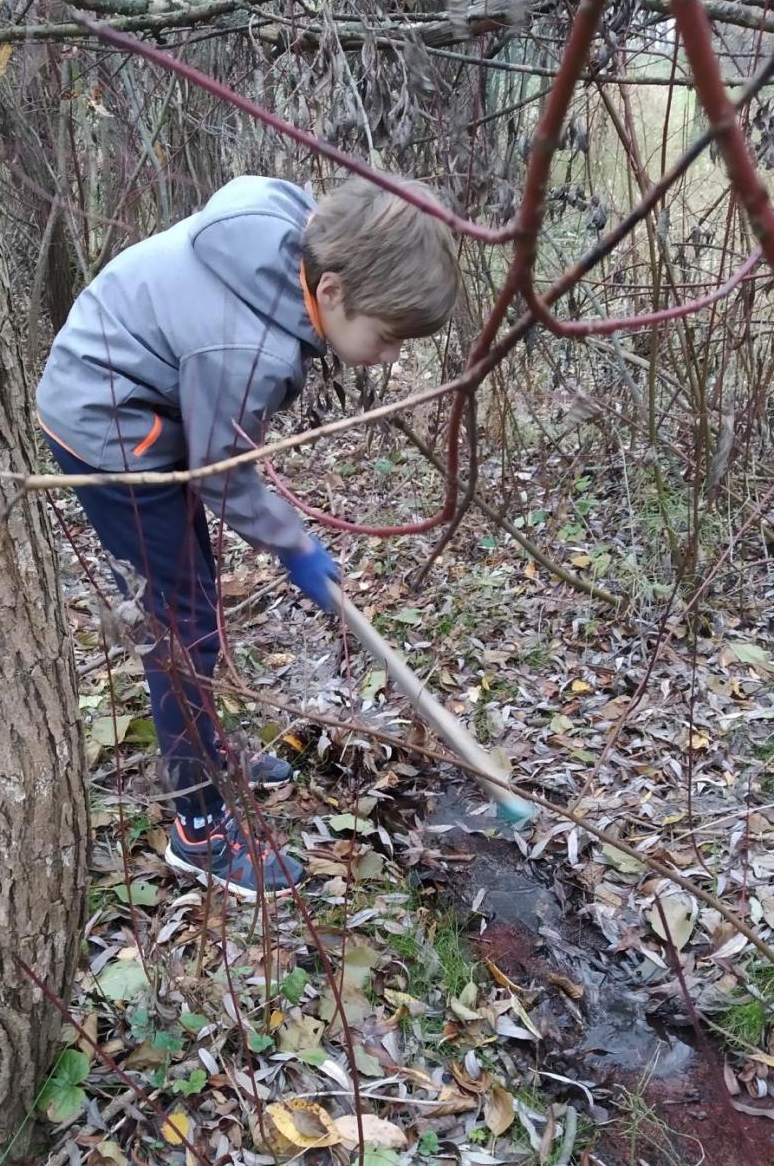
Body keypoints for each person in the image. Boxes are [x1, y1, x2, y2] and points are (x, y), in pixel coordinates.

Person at [36, 174, 459, 900]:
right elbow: (223, 475)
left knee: (191, 603)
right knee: (179, 632)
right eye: (387, 337)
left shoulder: (286, 230)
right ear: (329, 291)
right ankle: (198, 830)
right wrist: (295, 546)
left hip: (144, 404)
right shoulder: (244, 348)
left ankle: (207, 751)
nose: (390, 358)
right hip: (109, 430)